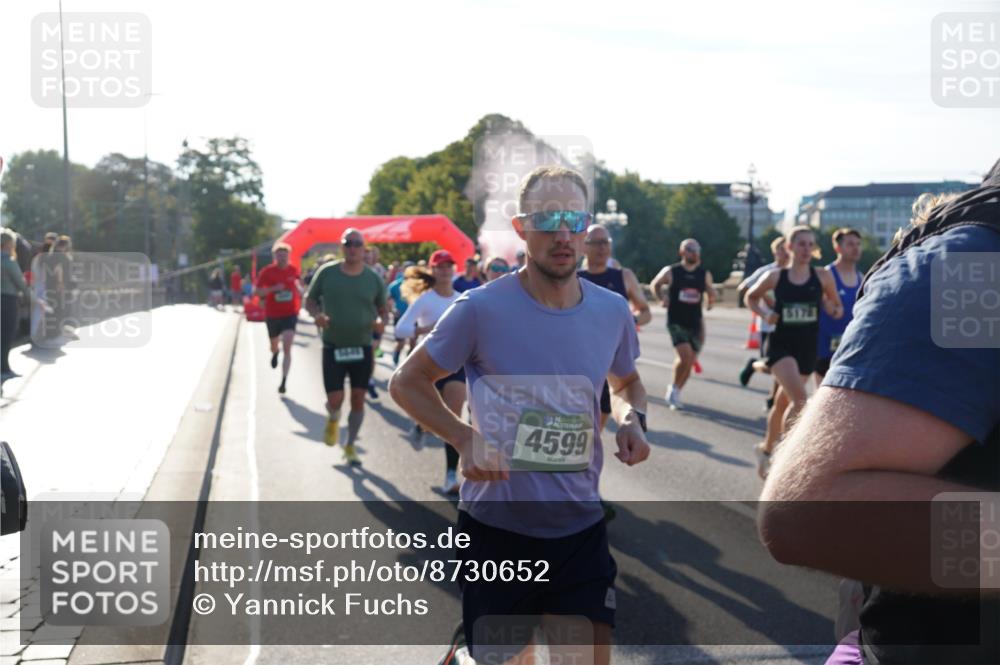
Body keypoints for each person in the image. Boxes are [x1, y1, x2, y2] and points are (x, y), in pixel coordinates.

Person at [390, 165, 650, 665]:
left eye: (574, 219)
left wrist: (631, 419)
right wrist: (464, 438)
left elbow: (625, 383)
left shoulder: (612, 311)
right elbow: (407, 381)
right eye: (547, 219)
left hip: (580, 529)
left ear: (586, 227)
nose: (562, 234)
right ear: (521, 228)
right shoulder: (479, 309)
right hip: (496, 532)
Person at [759, 160, 1000, 665]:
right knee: (794, 402)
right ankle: (772, 442)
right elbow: (808, 511)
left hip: (835, 350)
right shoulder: (976, 268)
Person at [746, 226, 843, 476]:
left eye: (811, 244)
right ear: (789, 247)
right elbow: (750, 297)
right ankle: (785, 459)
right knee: (800, 401)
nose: (806, 249)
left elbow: (837, 307)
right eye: (801, 244)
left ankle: (765, 449)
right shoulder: (776, 277)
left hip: (807, 346)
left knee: (783, 403)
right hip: (781, 345)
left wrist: (830, 308)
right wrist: (766, 314)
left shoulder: (822, 276)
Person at [305, 229, 388, 465]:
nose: (352, 248)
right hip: (334, 346)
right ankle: (333, 418)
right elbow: (310, 301)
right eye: (348, 243)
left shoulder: (373, 278)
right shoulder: (327, 273)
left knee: (358, 399)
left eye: (357, 244)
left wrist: (381, 323)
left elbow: (383, 310)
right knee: (335, 399)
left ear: (364, 249)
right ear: (342, 247)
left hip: (362, 347)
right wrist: (317, 315)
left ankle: (350, 445)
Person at [394, 251, 465, 495]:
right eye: (440, 266)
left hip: (456, 367)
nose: (445, 270)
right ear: (433, 270)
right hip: (427, 367)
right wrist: (427, 329)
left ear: (453, 270)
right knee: (433, 417)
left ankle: (451, 475)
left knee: (453, 418)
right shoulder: (425, 300)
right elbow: (400, 329)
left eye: (448, 266)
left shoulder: (462, 299)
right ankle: (420, 425)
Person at [578, 224, 652, 430]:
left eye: (606, 242)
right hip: (582, 358)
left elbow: (645, 312)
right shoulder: (575, 279)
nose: (602, 247)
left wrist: (630, 321)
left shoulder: (623, 276)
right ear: (583, 247)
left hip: (612, 358)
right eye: (596, 243)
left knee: (600, 417)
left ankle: (592, 445)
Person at [649, 239, 717, 410]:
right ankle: (673, 389)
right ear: (682, 252)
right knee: (685, 356)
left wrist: (711, 300)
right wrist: (661, 297)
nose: (694, 252)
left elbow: (710, 290)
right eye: (690, 249)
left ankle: (676, 389)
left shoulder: (704, 273)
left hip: (696, 322)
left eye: (697, 249)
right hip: (676, 320)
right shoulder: (672, 271)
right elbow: (655, 284)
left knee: (690, 361)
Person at [815, 228, 863, 381]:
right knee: (821, 392)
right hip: (824, 347)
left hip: (850, 346)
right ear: (837, 248)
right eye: (850, 244)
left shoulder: (862, 278)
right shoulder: (826, 275)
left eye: (858, 244)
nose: (856, 248)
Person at [255, 242, 303, 394]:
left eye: (285, 255)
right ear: (275, 257)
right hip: (272, 314)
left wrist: (300, 290)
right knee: (274, 344)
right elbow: (257, 292)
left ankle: (284, 381)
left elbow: (299, 285)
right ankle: (275, 352)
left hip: (290, 314)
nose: (282, 258)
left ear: (288, 256)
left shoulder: (293, 270)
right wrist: (273, 289)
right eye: (279, 255)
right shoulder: (267, 272)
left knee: (288, 346)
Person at [2, 232, 33, 380]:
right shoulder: (8, 261)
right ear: (9, 244)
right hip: (7, 301)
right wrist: (34, 300)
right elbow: (21, 284)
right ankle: (4, 368)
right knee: (7, 335)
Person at [388, 260, 416, 366]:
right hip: (400, 316)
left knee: (413, 342)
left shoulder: (419, 285)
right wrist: (392, 310)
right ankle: (396, 355)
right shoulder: (396, 285)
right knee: (401, 342)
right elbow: (388, 299)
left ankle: (408, 363)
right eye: (407, 269)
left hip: (414, 317)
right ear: (403, 270)